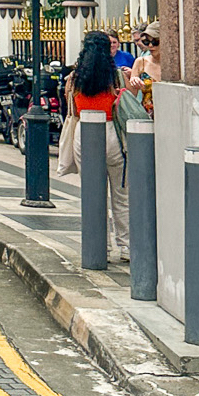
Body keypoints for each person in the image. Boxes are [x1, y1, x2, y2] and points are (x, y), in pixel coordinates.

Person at [70, 30, 129, 257]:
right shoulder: (115, 76)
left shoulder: (76, 77)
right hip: (111, 132)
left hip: (85, 133)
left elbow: (74, 110)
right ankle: (126, 246)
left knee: (93, 193)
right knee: (121, 194)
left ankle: (99, 246)